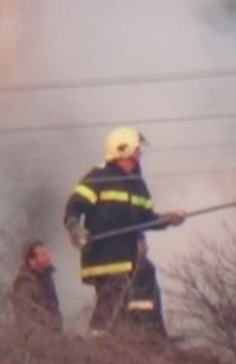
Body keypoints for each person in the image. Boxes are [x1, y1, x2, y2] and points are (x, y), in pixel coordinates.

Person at [63, 127, 185, 334]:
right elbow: (73, 208)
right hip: (104, 255)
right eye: (137, 150)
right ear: (123, 150)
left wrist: (167, 219)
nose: (140, 154)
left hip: (131, 257)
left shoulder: (138, 184)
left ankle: (146, 336)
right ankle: (98, 342)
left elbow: (145, 219)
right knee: (112, 295)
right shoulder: (98, 178)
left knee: (145, 283)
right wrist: (76, 230)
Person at [11, 239, 62, 333]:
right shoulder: (24, 284)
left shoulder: (47, 278)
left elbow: (55, 309)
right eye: (43, 255)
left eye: (47, 253)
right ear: (32, 261)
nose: (49, 257)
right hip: (35, 339)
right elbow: (26, 315)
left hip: (53, 336)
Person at [125, 235, 167, 339]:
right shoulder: (141, 267)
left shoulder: (147, 267)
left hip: (146, 321)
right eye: (143, 244)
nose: (147, 248)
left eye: (145, 244)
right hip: (140, 322)